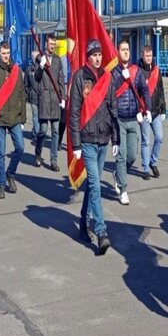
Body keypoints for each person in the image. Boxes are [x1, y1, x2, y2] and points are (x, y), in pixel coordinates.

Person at [69, 39, 119, 254]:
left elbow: (112, 108)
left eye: (100, 55)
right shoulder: (80, 77)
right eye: (94, 55)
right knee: (96, 185)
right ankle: (101, 232)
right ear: (88, 56)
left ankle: (82, 222)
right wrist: (76, 143)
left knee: (92, 185)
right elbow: (73, 112)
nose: (98, 58)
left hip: (103, 139)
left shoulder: (107, 78)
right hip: (87, 140)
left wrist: (115, 138)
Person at [110, 39, 151, 205]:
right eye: (123, 49)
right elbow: (111, 91)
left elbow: (145, 90)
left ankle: (118, 175)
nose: (126, 52)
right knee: (121, 157)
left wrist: (147, 108)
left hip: (134, 118)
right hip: (119, 119)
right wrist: (121, 79)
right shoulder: (114, 72)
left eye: (127, 49)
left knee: (132, 156)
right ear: (118, 52)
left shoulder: (136, 71)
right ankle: (123, 189)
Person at [0, 41, 26, 199]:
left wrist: (22, 119)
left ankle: (10, 173)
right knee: (0, 153)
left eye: (8, 53)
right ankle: (1, 184)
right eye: (3, 53)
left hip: (14, 117)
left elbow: (22, 94)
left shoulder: (16, 70)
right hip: (0, 118)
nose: (6, 56)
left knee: (20, 148)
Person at [34, 36, 66, 171]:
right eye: (50, 44)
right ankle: (38, 152)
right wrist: (41, 66)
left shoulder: (58, 60)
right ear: (46, 44)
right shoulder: (40, 59)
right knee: (42, 130)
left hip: (55, 99)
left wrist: (63, 98)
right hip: (44, 98)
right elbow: (36, 78)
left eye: (54, 44)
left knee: (55, 131)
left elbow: (60, 80)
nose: (52, 46)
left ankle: (54, 160)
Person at [138, 45, 166, 180]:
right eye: (146, 56)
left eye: (150, 56)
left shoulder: (156, 71)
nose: (148, 58)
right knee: (145, 141)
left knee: (159, 138)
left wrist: (163, 109)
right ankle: (145, 169)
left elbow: (161, 90)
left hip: (155, 111)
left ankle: (153, 162)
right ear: (142, 56)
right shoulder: (138, 72)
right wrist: (138, 110)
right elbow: (136, 93)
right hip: (143, 111)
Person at [25, 51, 41, 150]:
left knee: (39, 117)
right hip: (34, 96)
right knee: (36, 116)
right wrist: (28, 94)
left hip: (40, 96)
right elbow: (26, 83)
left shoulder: (42, 68)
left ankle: (35, 132)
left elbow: (25, 84)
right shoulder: (29, 69)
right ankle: (36, 136)